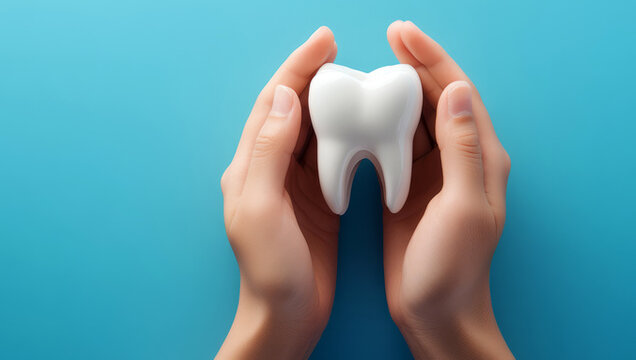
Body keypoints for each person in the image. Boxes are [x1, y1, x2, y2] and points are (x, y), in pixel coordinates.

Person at [216, 20, 514, 359]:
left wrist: (276, 322)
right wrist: (449, 323)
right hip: (366, 99)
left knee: (374, 167)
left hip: (366, 98)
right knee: (383, 171)